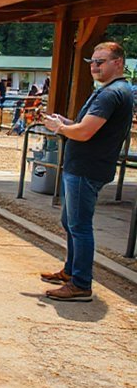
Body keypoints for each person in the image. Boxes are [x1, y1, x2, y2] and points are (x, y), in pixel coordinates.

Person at [40, 42, 134, 302]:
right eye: (92, 62)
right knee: (70, 223)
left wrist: (61, 128)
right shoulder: (114, 91)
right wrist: (65, 123)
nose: (94, 66)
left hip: (86, 168)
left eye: (100, 61)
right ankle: (72, 272)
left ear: (118, 62)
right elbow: (84, 127)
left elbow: (84, 132)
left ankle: (81, 282)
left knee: (79, 226)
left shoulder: (110, 94)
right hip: (85, 166)